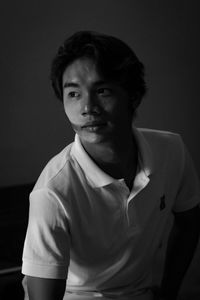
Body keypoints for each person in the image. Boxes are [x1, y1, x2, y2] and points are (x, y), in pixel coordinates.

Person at [22, 31, 200, 300]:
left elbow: (190, 222)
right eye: (73, 94)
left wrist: (169, 292)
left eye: (102, 90)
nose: (87, 108)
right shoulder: (52, 191)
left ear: (134, 96)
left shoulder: (171, 150)